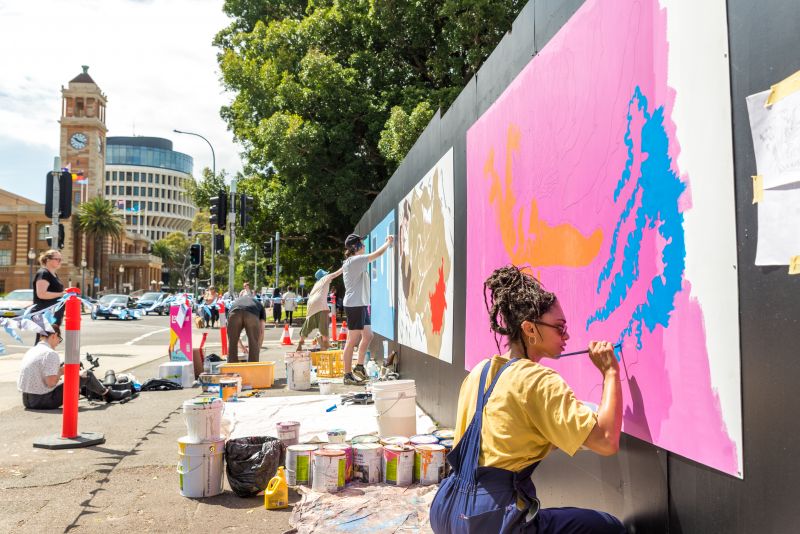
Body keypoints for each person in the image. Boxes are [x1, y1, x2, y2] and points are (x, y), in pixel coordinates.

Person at [430, 265, 625, 533]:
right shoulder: (539, 380)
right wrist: (610, 372)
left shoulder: (480, 372)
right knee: (608, 527)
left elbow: (507, 431)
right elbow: (606, 441)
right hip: (490, 519)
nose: (566, 335)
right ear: (529, 329)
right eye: (559, 327)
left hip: (449, 510)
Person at [17, 324, 130, 409]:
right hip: (43, 401)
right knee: (87, 375)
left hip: (27, 400)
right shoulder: (50, 353)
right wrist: (63, 371)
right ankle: (108, 395)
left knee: (78, 375)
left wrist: (61, 370)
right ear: (54, 335)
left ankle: (106, 393)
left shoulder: (33, 350)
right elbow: (50, 383)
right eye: (59, 339)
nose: (58, 343)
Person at [341, 233, 393, 385]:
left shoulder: (353, 261)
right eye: (361, 244)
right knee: (352, 340)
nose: (364, 245)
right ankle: (347, 374)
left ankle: (358, 366)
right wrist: (388, 242)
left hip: (361, 304)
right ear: (355, 247)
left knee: (368, 335)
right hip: (354, 305)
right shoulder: (355, 260)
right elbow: (376, 255)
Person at [296, 268, 343, 351]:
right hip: (320, 304)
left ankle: (300, 342)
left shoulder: (316, 284)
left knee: (307, 326)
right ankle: (325, 345)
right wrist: (345, 266)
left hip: (310, 305)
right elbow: (335, 274)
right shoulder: (324, 279)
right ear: (324, 275)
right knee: (324, 327)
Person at [31, 249, 66, 344]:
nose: (60, 261)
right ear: (47, 260)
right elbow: (41, 294)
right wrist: (62, 294)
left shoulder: (54, 275)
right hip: (44, 314)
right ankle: (37, 358)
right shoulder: (43, 273)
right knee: (42, 341)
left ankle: (44, 358)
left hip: (52, 315)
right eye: (57, 259)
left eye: (60, 259)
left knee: (49, 341)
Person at [226, 293, 266, 363]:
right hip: (251, 314)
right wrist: (257, 349)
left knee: (232, 343)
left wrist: (242, 347)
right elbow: (261, 332)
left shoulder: (236, 301)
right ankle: (252, 371)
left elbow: (233, 336)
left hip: (234, 312)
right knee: (253, 342)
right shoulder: (259, 304)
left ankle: (231, 371)